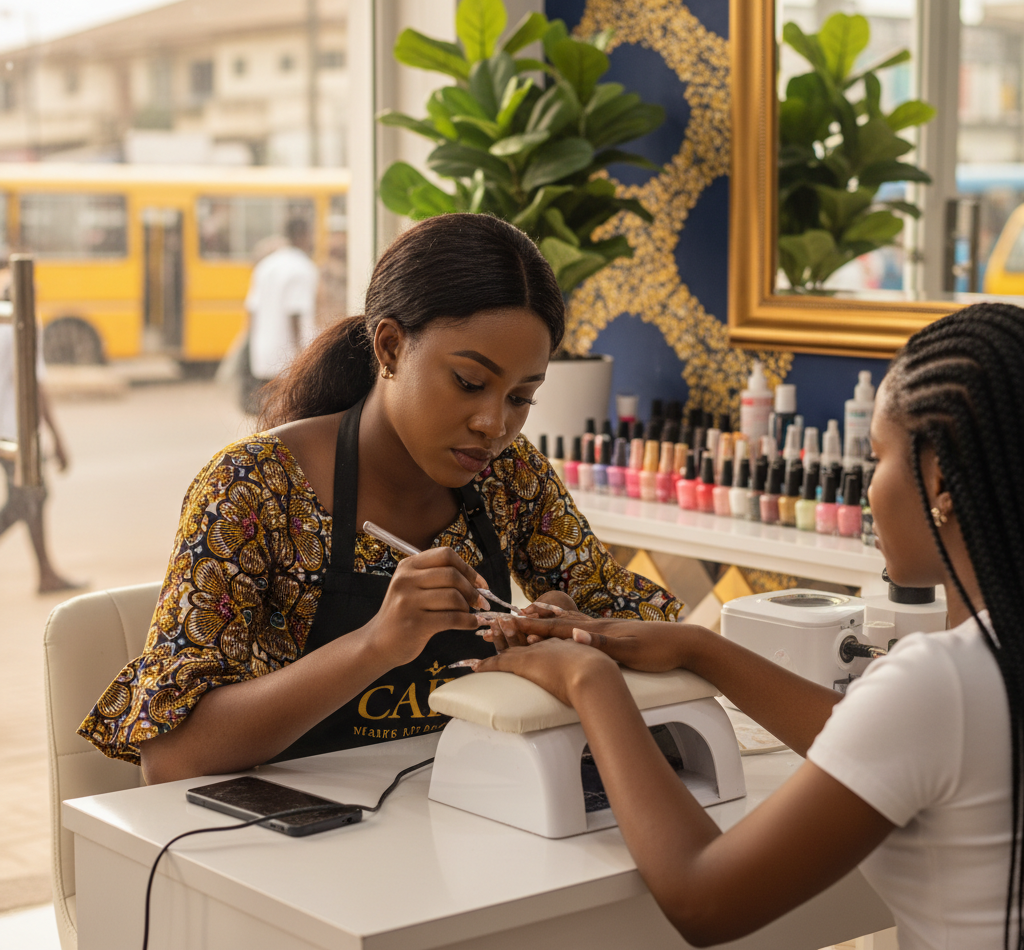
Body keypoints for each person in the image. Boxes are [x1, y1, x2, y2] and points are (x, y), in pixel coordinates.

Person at [470, 300, 1024, 950]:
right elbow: (891, 742)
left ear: (938, 479)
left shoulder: (944, 681)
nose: (871, 488)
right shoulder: (969, 677)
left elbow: (704, 900)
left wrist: (592, 682)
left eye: (878, 459)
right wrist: (699, 648)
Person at [79, 214, 684, 783]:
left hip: (461, 808)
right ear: (390, 348)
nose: (493, 424)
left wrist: (579, 630)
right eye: (470, 383)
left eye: (521, 397)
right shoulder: (254, 487)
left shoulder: (508, 477)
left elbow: (650, 619)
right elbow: (170, 755)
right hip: (287, 845)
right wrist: (376, 644)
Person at [0, 284, 79, 594]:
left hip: (9, 429)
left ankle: (46, 573)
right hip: (16, 429)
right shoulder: (25, 324)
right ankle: (46, 573)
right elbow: (36, 385)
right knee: (27, 499)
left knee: (33, 498)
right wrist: (58, 438)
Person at [244, 216, 319, 399]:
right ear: (303, 235)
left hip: (263, 356)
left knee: (269, 411)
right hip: (288, 358)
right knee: (288, 412)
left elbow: (251, 310)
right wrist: (303, 357)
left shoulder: (265, 265)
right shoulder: (302, 267)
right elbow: (295, 312)